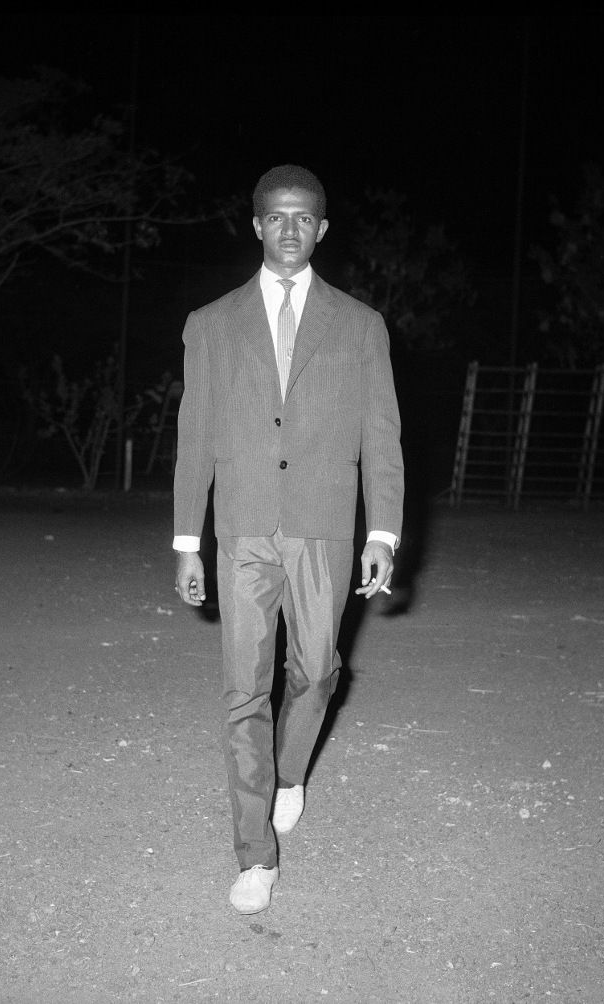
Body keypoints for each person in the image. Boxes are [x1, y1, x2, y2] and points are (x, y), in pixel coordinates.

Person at [173, 164, 404, 914]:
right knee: (245, 692)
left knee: (318, 671)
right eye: (277, 216)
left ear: (323, 229)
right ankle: (254, 857)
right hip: (241, 528)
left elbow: (382, 435)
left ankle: (291, 770)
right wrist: (186, 541)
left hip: (323, 525)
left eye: (304, 217)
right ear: (256, 224)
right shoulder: (209, 325)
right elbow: (193, 438)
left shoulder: (361, 325)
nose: (290, 229)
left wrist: (382, 531)